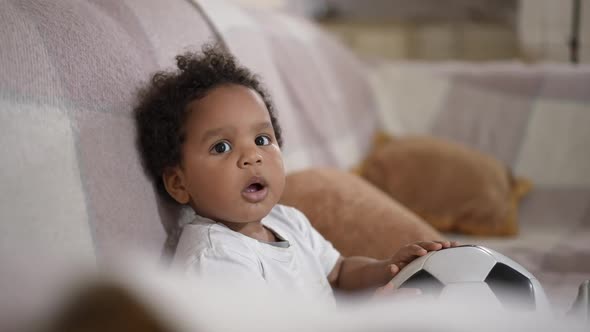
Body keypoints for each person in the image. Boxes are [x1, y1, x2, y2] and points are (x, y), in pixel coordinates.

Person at [134, 45, 457, 304]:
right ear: (179, 183)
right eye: (221, 147)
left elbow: (339, 271)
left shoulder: (287, 221)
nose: (252, 156)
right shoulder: (215, 258)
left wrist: (387, 269)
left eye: (262, 140)